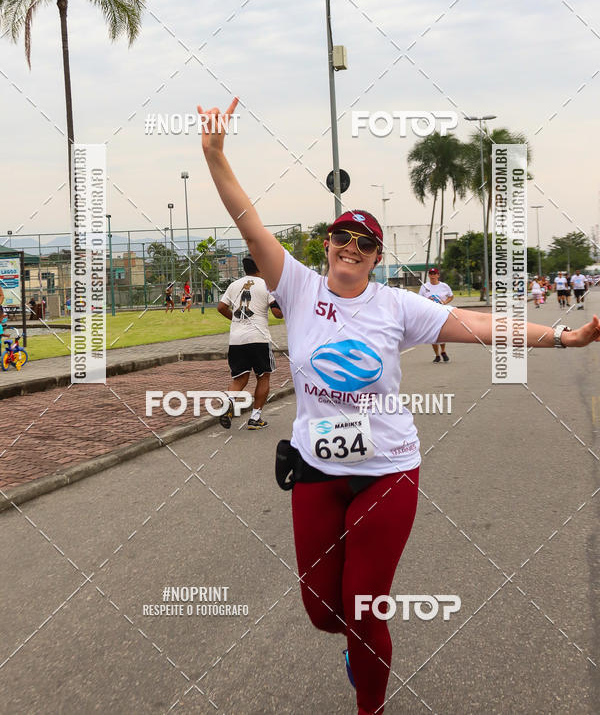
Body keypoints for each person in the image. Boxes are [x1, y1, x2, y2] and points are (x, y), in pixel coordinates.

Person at [199, 97, 600, 715]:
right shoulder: (299, 287)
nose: (351, 247)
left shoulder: (397, 306)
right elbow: (249, 222)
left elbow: (480, 325)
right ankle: (355, 650)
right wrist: (214, 155)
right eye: (342, 237)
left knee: (364, 608)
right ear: (328, 245)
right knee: (323, 612)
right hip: (317, 468)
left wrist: (564, 338)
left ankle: (372, 704)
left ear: (377, 257)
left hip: (387, 470)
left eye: (365, 242)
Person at [217, 257, 283, 429]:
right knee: (263, 376)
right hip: (259, 339)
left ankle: (229, 401)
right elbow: (277, 313)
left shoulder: (234, 285)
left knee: (240, 378)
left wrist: (236, 320)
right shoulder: (267, 285)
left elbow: (221, 307)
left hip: (237, 340)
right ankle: (255, 418)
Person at [418, 267, 454, 361]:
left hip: (442, 312)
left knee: (442, 332)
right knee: (433, 333)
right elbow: (419, 299)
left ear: (438, 275)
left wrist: (444, 302)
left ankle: (443, 351)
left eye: (435, 274)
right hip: (430, 312)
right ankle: (437, 355)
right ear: (429, 275)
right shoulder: (424, 286)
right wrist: (427, 300)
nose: (433, 276)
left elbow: (451, 296)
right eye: (431, 274)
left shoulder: (444, 286)